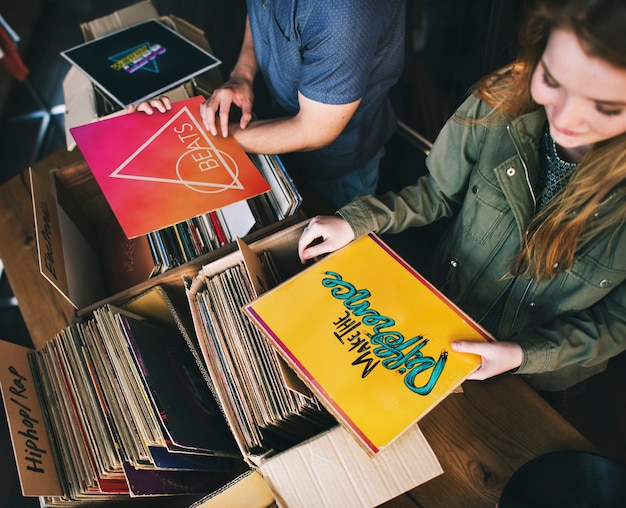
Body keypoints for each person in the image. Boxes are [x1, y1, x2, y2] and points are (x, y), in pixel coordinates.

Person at [297, 0, 626, 393]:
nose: (567, 118)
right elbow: (437, 193)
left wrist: (523, 354)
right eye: (552, 81)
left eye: (606, 107)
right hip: (439, 323)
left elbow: (617, 322)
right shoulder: (501, 101)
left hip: (534, 381)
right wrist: (359, 220)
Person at [198, 0, 406, 208]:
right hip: (284, 127)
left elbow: (314, 130)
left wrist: (217, 138)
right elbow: (261, 11)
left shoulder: (343, 14)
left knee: (331, 225)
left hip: (338, 165)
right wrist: (242, 74)